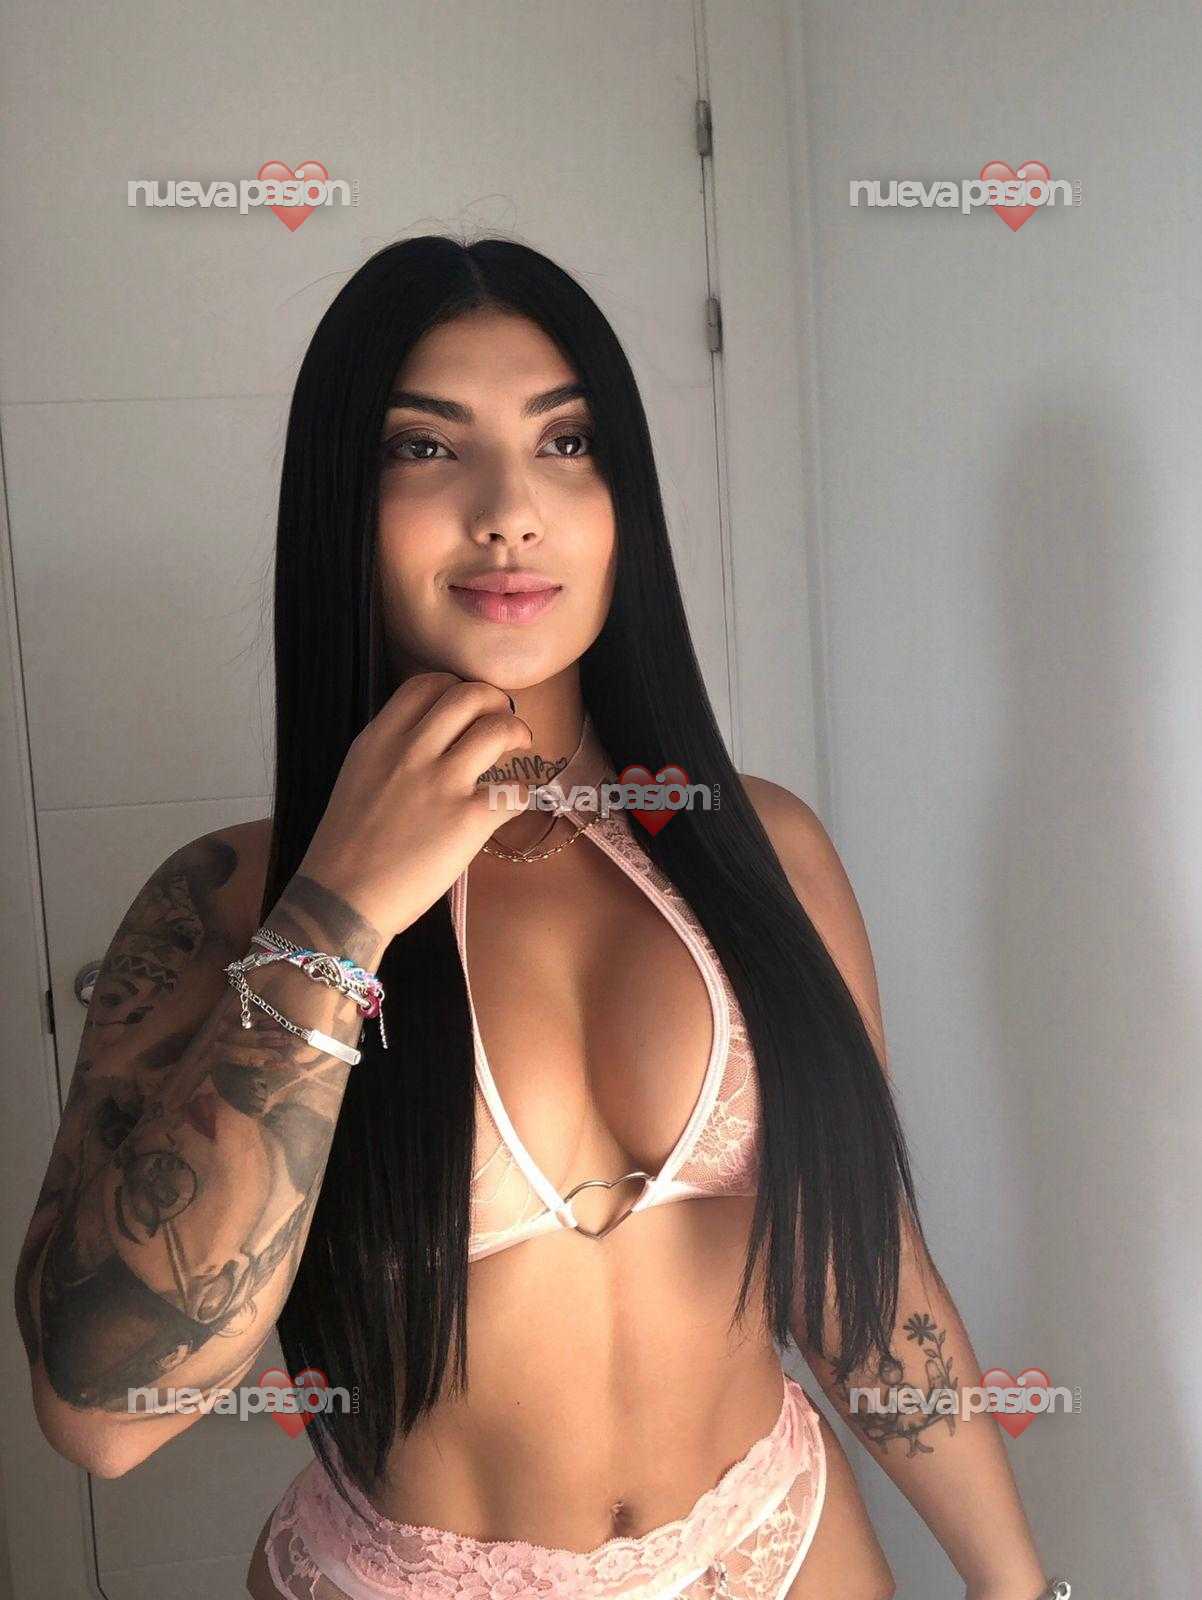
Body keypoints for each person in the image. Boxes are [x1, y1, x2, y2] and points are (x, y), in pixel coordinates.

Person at [15, 236, 1061, 1600]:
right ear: (344, 502)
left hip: (784, 1542)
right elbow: (99, 1419)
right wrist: (341, 910)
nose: (509, 512)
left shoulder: (762, 852)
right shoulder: (226, 903)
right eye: (427, 449)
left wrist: (1016, 1584)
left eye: (566, 443)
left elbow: (863, 1274)